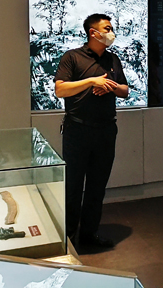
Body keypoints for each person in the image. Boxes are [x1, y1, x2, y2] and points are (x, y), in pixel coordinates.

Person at [54, 13, 129, 248]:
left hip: (106, 130)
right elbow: (60, 90)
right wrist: (92, 81)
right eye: (107, 28)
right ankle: (67, 237)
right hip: (77, 130)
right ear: (93, 33)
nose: (111, 33)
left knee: (97, 186)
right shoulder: (72, 57)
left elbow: (125, 90)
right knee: (73, 186)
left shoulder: (112, 59)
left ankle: (89, 234)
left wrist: (110, 86)